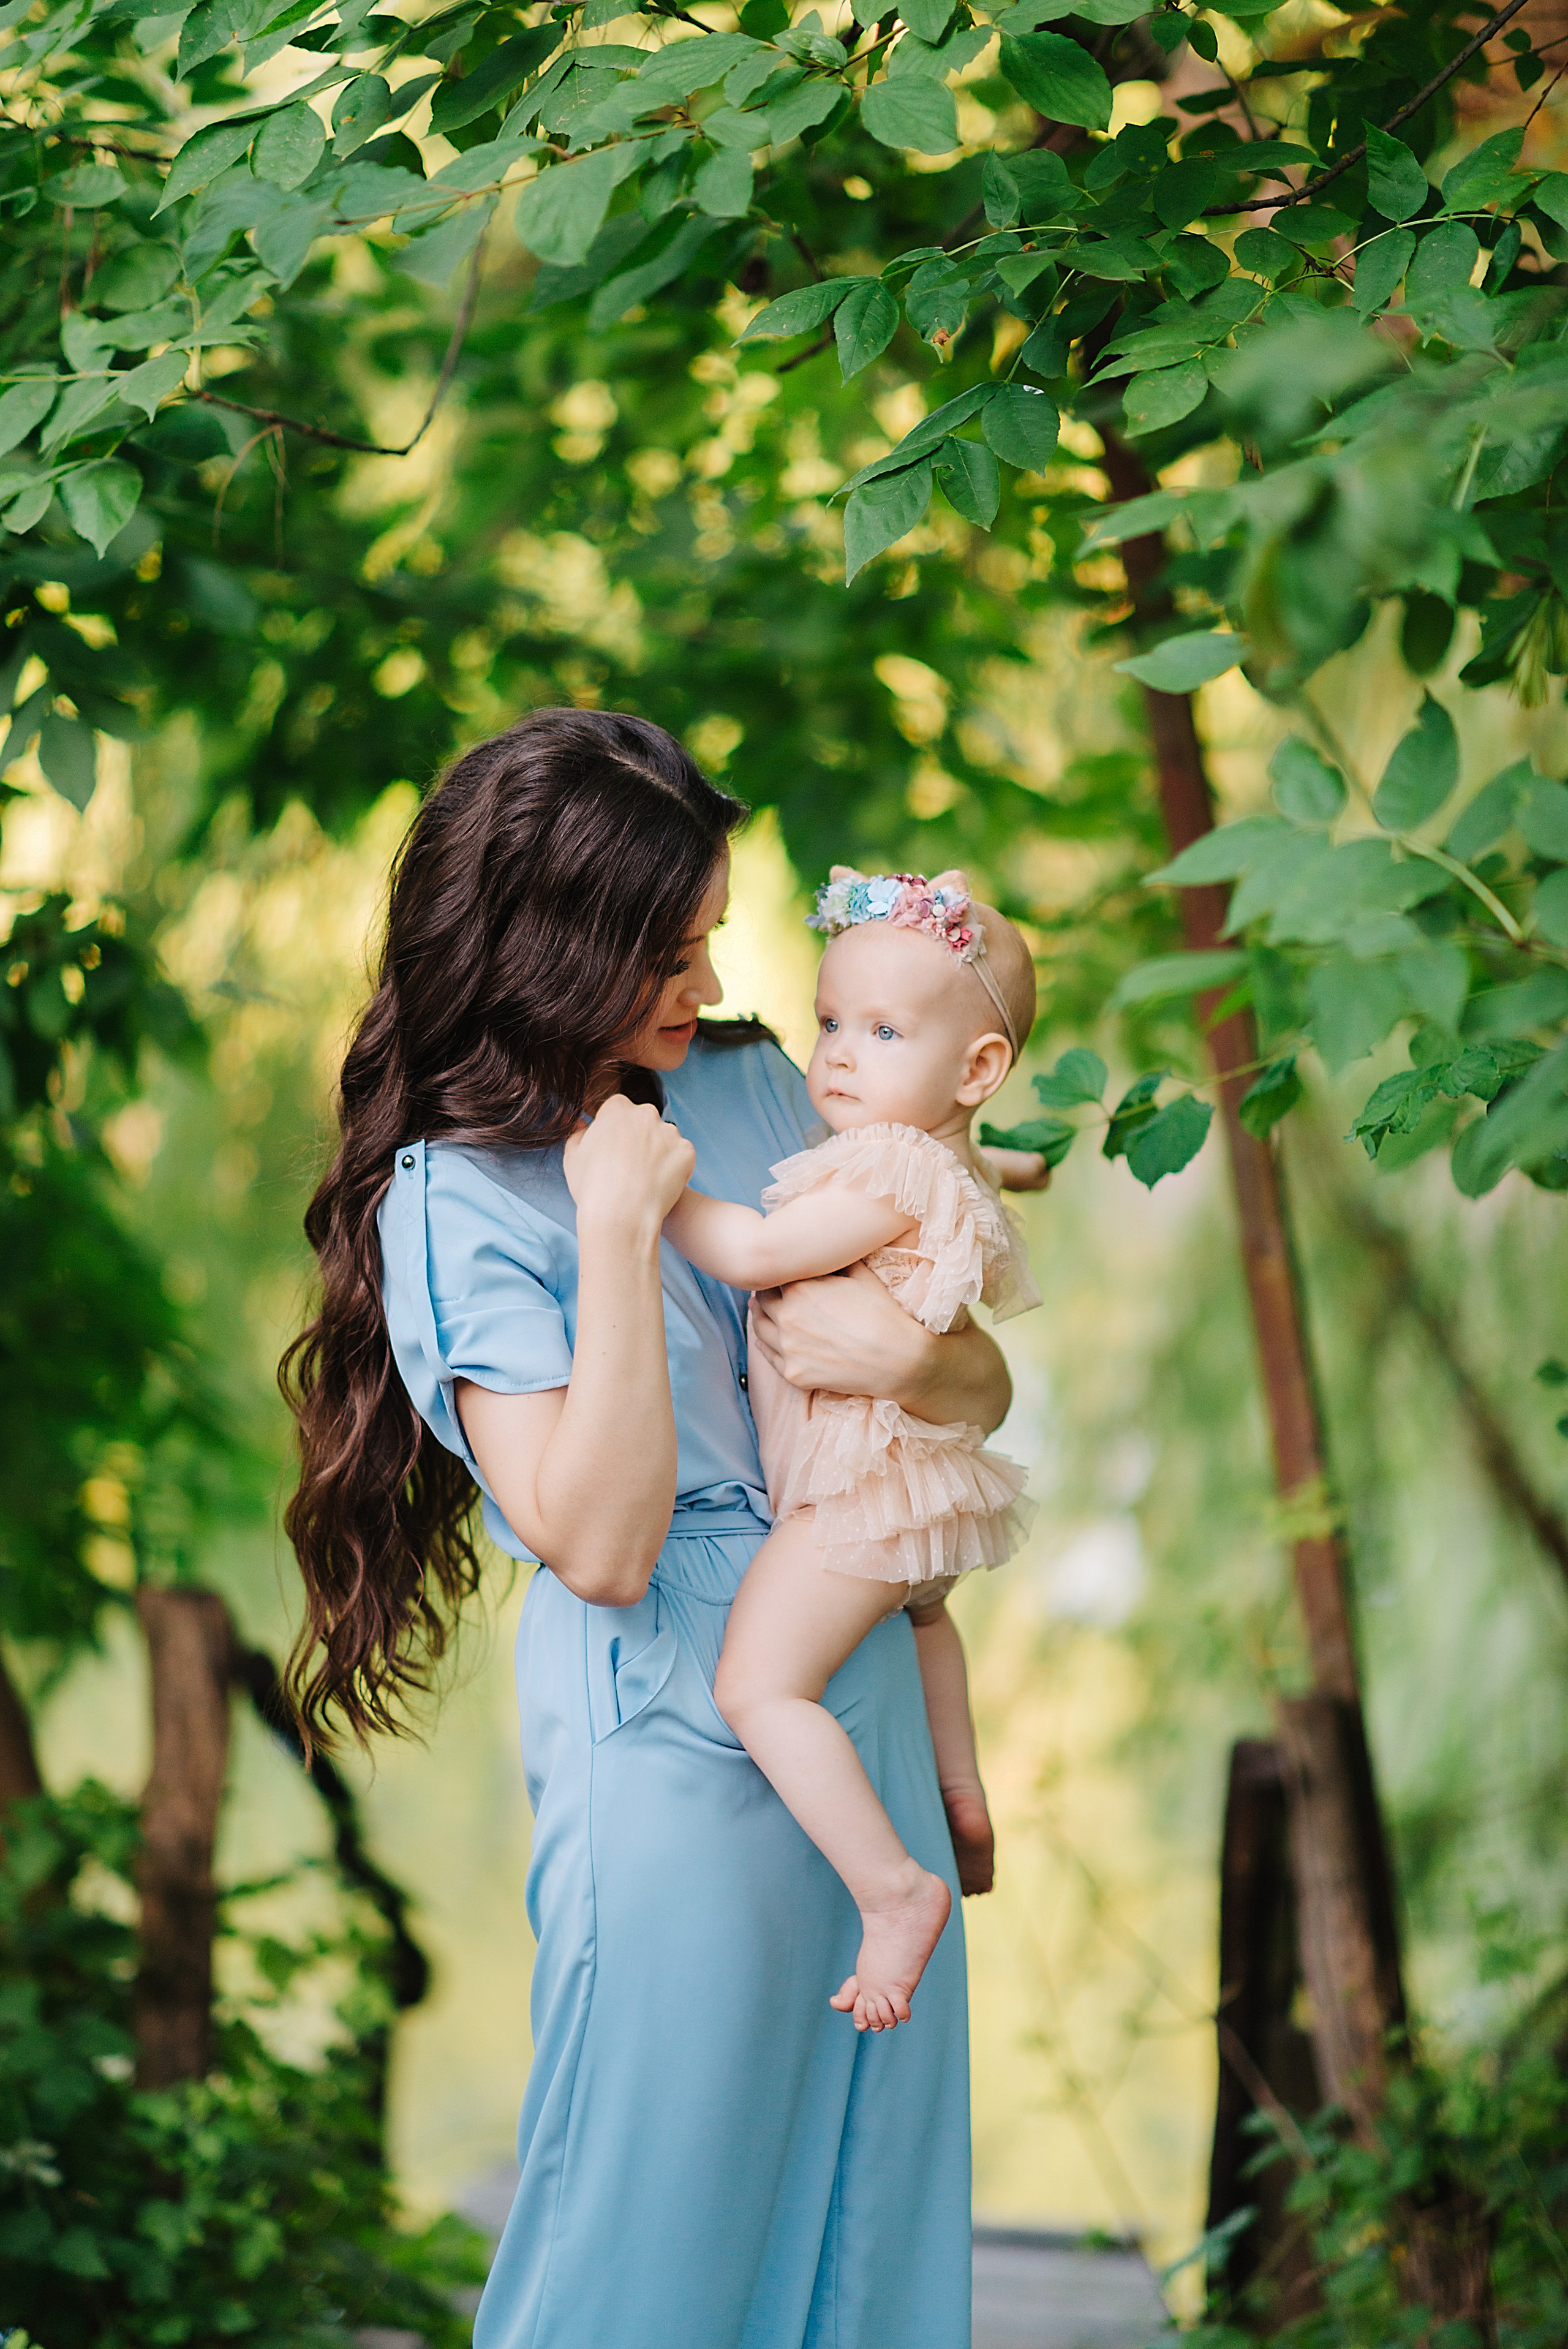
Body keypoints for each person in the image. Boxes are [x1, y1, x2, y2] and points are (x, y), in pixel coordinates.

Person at [279, 709, 1035, 2349]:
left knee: (870, 2226)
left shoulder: (764, 1080)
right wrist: (619, 1231)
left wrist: (928, 1358)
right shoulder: (458, 1196)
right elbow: (600, 1543)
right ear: (557, 950)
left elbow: (958, 1368)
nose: (705, 982)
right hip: (675, 1723)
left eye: (707, 937)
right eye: (667, 949)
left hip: (857, 1693)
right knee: (643, 2240)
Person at [662, 867, 1041, 2034]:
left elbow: (764, 1250)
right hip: (908, 1488)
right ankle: (959, 1792)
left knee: (759, 1684)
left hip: (857, 1493)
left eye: (880, 1032)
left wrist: (657, 1192)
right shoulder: (940, 1155)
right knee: (926, 1614)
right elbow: (984, 1171)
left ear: (974, 1073)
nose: (834, 1053)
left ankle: (894, 1890)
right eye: (830, 1020)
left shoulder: (889, 1164)